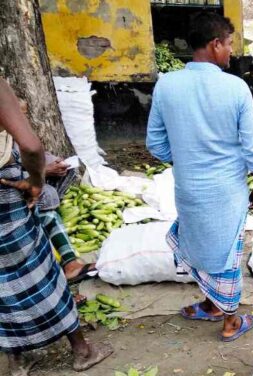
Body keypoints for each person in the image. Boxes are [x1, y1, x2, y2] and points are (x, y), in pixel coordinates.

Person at [147, 12, 253, 342]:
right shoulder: (236, 88)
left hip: (188, 188)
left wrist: (186, 158)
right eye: (228, 44)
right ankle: (230, 321)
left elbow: (154, 143)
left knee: (199, 245)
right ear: (215, 44)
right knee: (226, 253)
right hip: (226, 191)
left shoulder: (167, 84)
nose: (230, 51)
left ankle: (211, 305)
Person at [1, 78, 112, 373]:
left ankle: (17, 362)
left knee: (3, 286)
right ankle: (82, 350)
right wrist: (36, 182)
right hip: (6, 202)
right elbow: (31, 146)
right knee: (43, 271)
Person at [18, 100, 96, 293]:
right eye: (18, 115)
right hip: (11, 204)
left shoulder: (13, 136)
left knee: (50, 212)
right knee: (48, 202)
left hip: (25, 191)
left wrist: (54, 163)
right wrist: (43, 172)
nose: (22, 120)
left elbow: (36, 155)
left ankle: (70, 264)